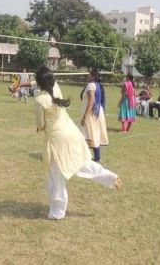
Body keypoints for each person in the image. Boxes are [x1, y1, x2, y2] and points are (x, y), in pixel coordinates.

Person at [33, 66, 122, 220]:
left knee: (57, 178)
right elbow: (46, 87)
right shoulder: (56, 87)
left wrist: (39, 127)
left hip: (57, 140)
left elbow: (41, 125)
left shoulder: (40, 99)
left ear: (39, 82)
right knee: (84, 164)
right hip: (72, 134)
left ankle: (57, 213)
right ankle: (111, 177)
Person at [80, 68, 109, 162]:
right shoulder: (97, 85)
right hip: (96, 112)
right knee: (93, 134)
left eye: (89, 74)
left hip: (91, 113)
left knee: (88, 134)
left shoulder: (91, 85)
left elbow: (91, 101)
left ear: (93, 76)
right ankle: (96, 157)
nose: (88, 76)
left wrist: (85, 117)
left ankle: (86, 157)